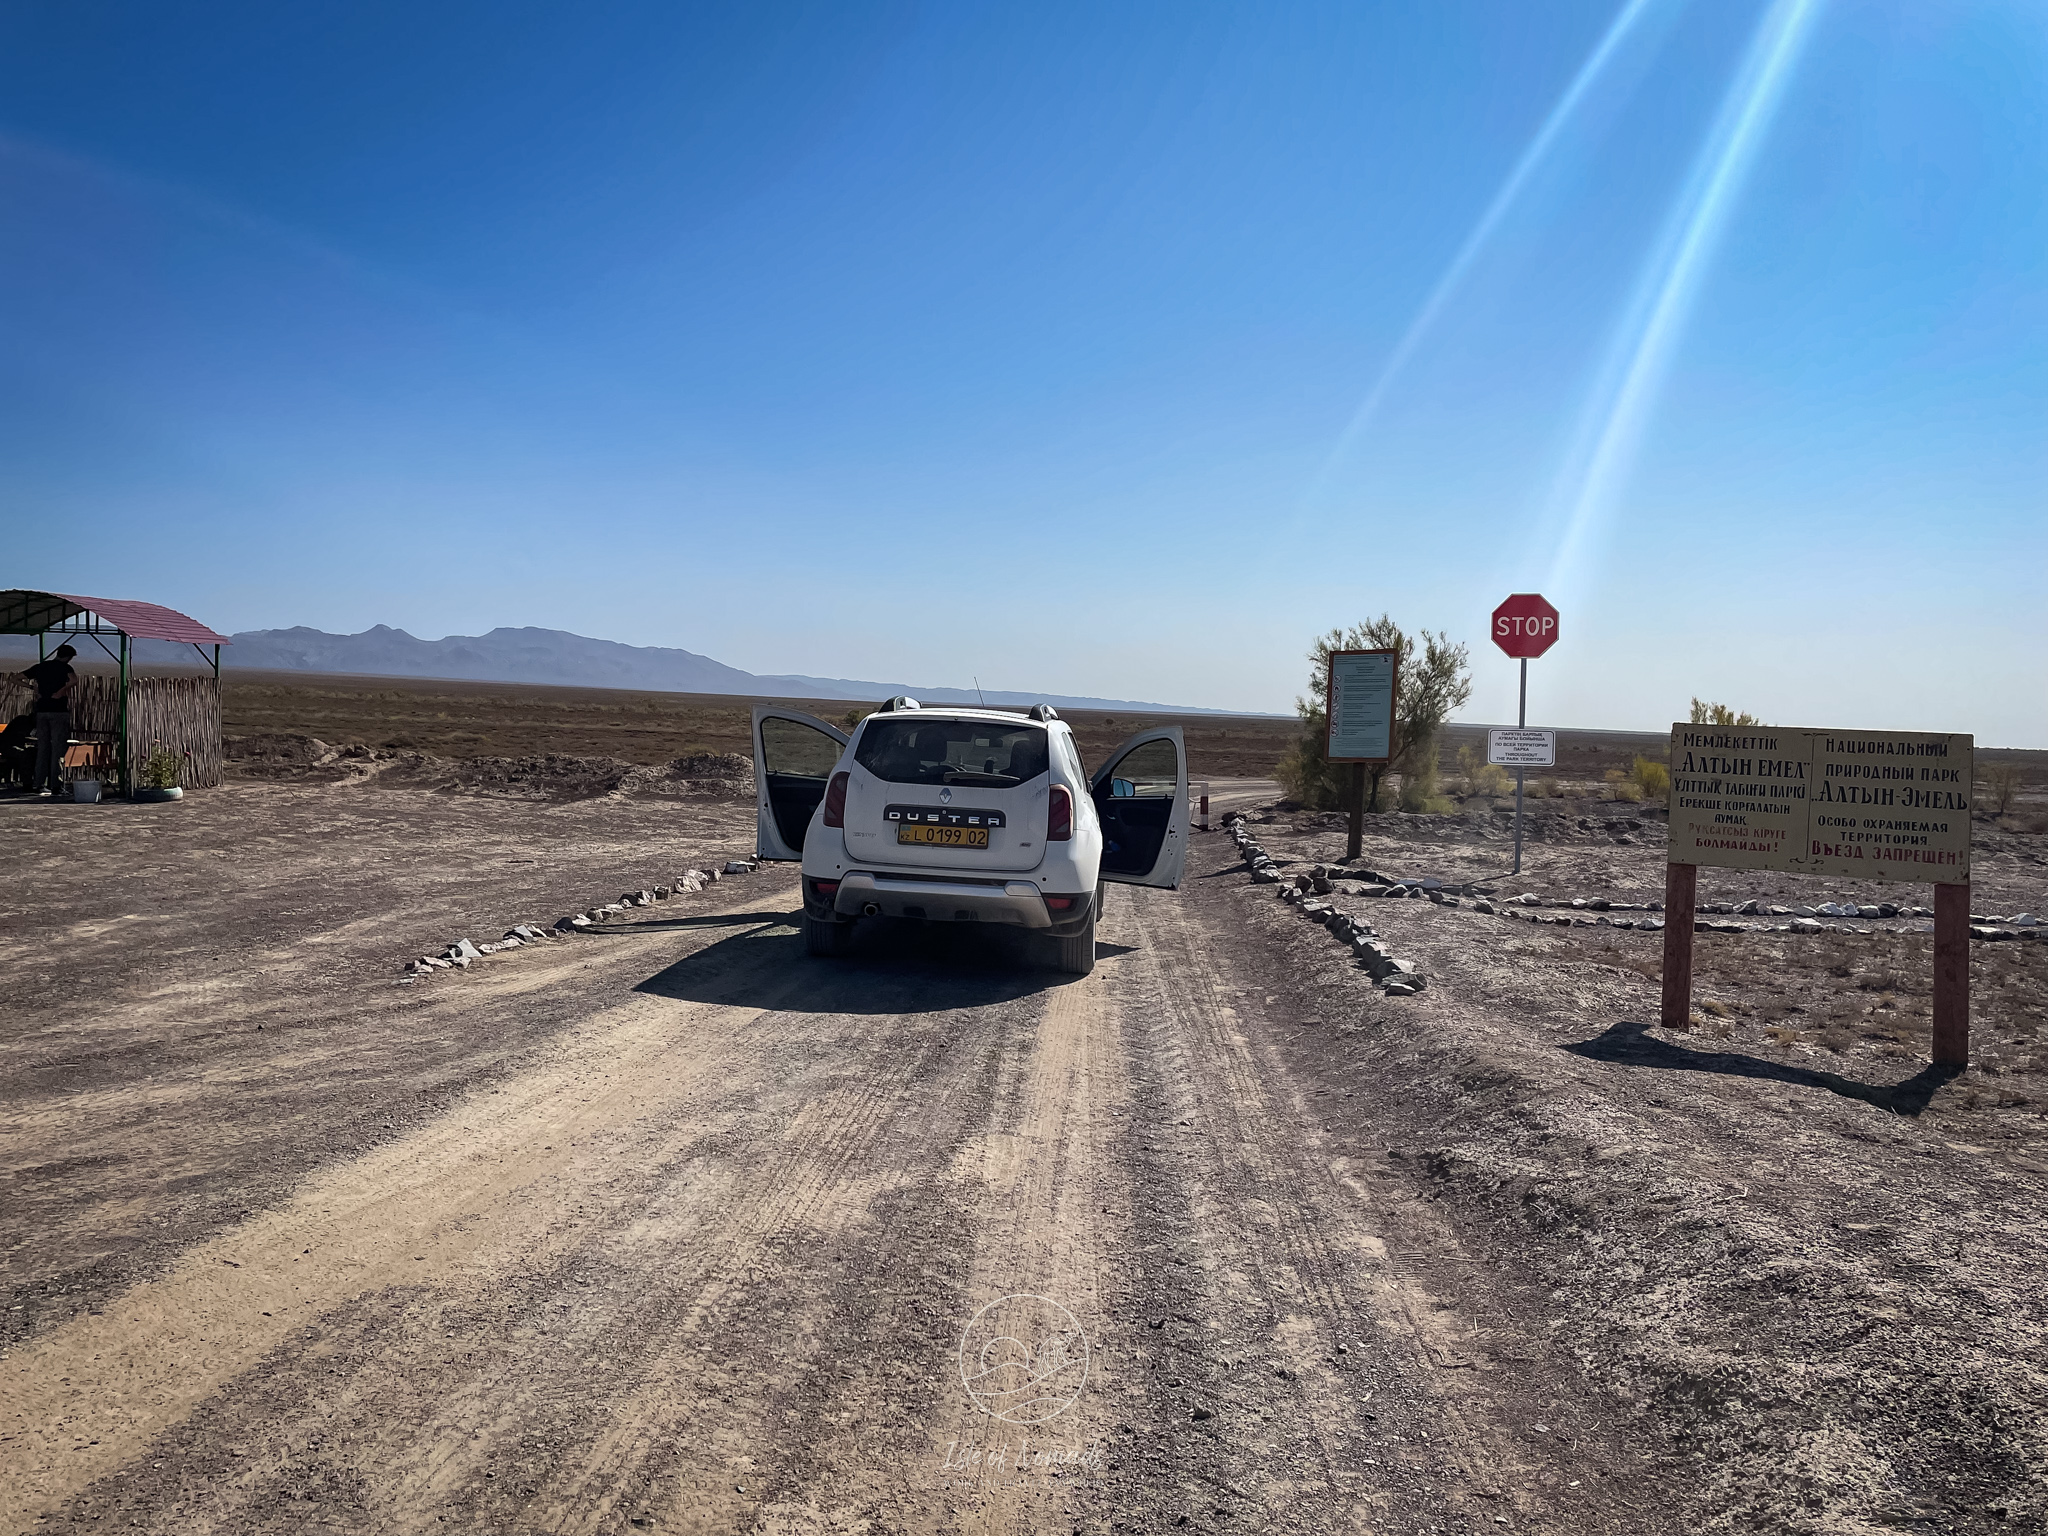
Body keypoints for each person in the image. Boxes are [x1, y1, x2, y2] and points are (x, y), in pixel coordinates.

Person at [19, 644, 76, 798]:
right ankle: (55, 785)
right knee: (57, 749)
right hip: (58, 712)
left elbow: (15, 678)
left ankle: (38, 783)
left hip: (42, 711)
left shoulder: (40, 667)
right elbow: (73, 681)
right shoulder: (65, 668)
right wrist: (60, 692)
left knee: (42, 748)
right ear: (68, 657)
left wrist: (32, 689)